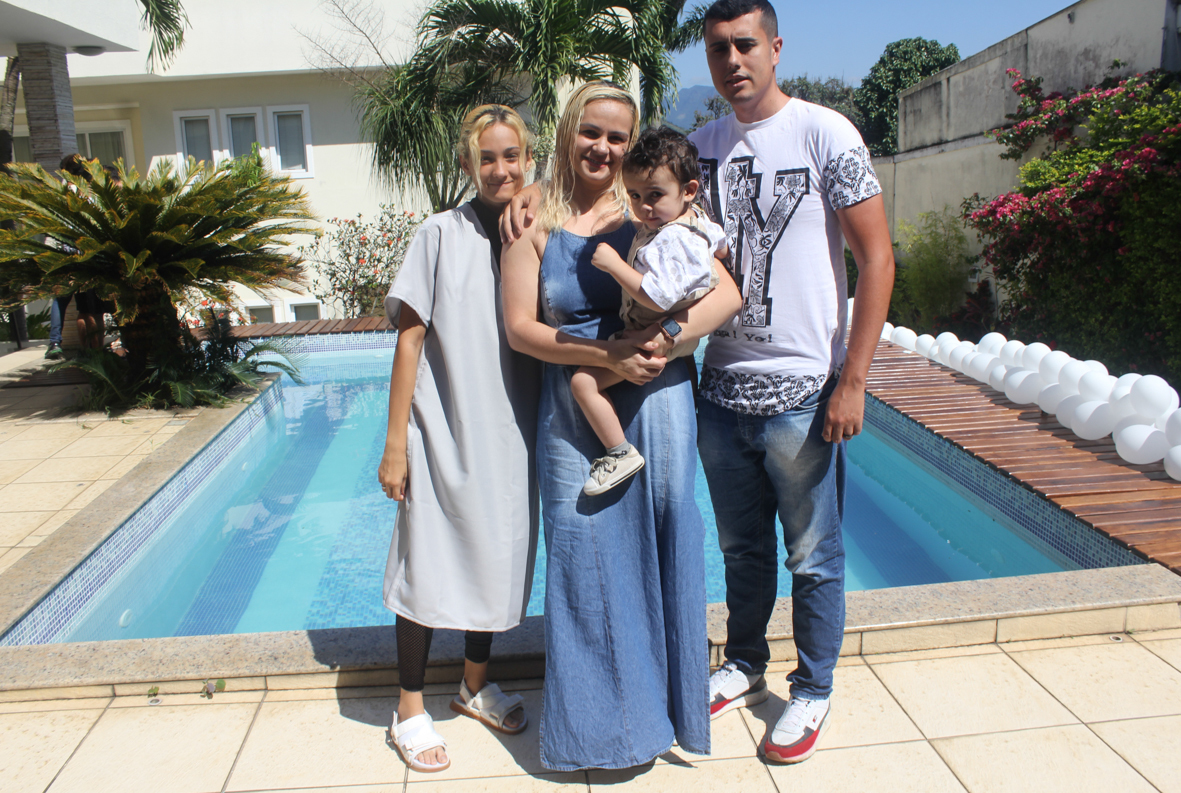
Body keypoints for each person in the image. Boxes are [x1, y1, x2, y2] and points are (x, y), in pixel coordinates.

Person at [500, 81, 742, 771]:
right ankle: (599, 733)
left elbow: (724, 292)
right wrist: (606, 355)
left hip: (657, 396)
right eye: (590, 131)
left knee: (664, 541)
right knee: (581, 555)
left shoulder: (651, 206)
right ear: (567, 132)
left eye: (616, 136)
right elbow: (519, 328)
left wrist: (660, 341)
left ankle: (667, 716)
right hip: (575, 403)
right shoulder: (532, 216)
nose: (602, 147)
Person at [690, 0, 895, 765]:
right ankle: (744, 661)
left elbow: (876, 257)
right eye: (718, 49)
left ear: (775, 47)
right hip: (720, 390)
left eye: (744, 44)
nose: (732, 61)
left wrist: (853, 379)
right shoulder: (699, 148)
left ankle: (811, 686)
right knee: (740, 548)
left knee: (812, 554)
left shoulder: (825, 133)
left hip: (804, 392)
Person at [376, 104, 542, 774]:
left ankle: (473, 686)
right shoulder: (439, 234)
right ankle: (408, 707)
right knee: (427, 564)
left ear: (528, 159)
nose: (500, 169)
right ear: (468, 163)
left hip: (513, 434)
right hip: (442, 430)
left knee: (494, 560)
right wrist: (395, 442)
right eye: (487, 157)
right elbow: (409, 338)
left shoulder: (536, 231)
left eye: (512, 155)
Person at [571, 126, 727, 496]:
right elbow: (720, 245)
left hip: (652, 337)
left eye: (655, 195)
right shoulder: (693, 221)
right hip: (671, 335)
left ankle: (619, 452)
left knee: (583, 382)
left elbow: (657, 298)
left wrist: (613, 265)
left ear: (689, 190)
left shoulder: (671, 239)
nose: (644, 207)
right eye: (636, 195)